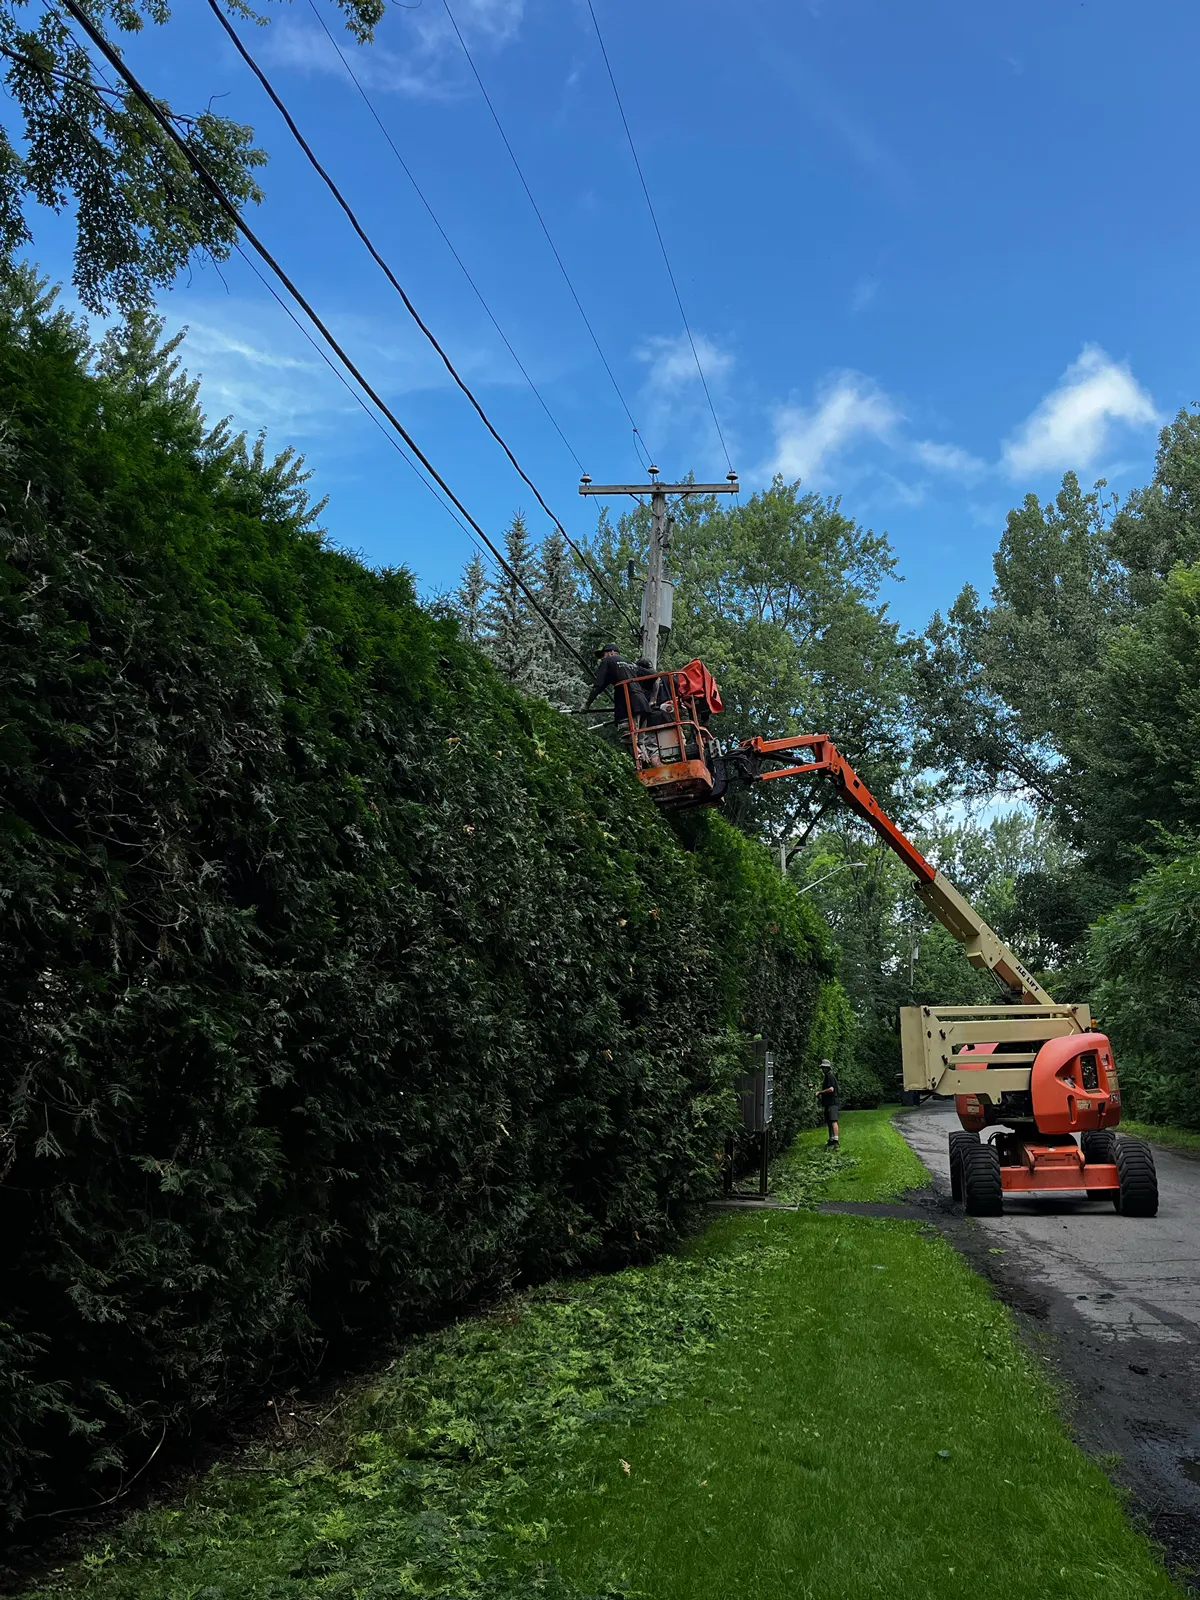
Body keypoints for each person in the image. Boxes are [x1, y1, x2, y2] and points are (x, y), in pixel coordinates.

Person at [585, 643, 650, 726]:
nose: (602, 658)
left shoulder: (608, 661)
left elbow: (598, 685)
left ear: (611, 652)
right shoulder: (632, 664)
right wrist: (652, 700)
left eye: (603, 655)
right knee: (641, 737)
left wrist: (587, 704)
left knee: (626, 734)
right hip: (642, 704)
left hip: (626, 707)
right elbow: (654, 676)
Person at [818, 1059, 841, 1148]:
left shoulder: (830, 1076)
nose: (823, 1069)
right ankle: (831, 1139)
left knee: (833, 1120)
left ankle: (836, 1140)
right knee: (829, 1121)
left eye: (824, 1068)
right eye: (822, 1068)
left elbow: (831, 1089)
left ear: (828, 1068)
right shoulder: (827, 1076)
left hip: (832, 1103)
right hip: (828, 1103)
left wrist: (820, 1092)